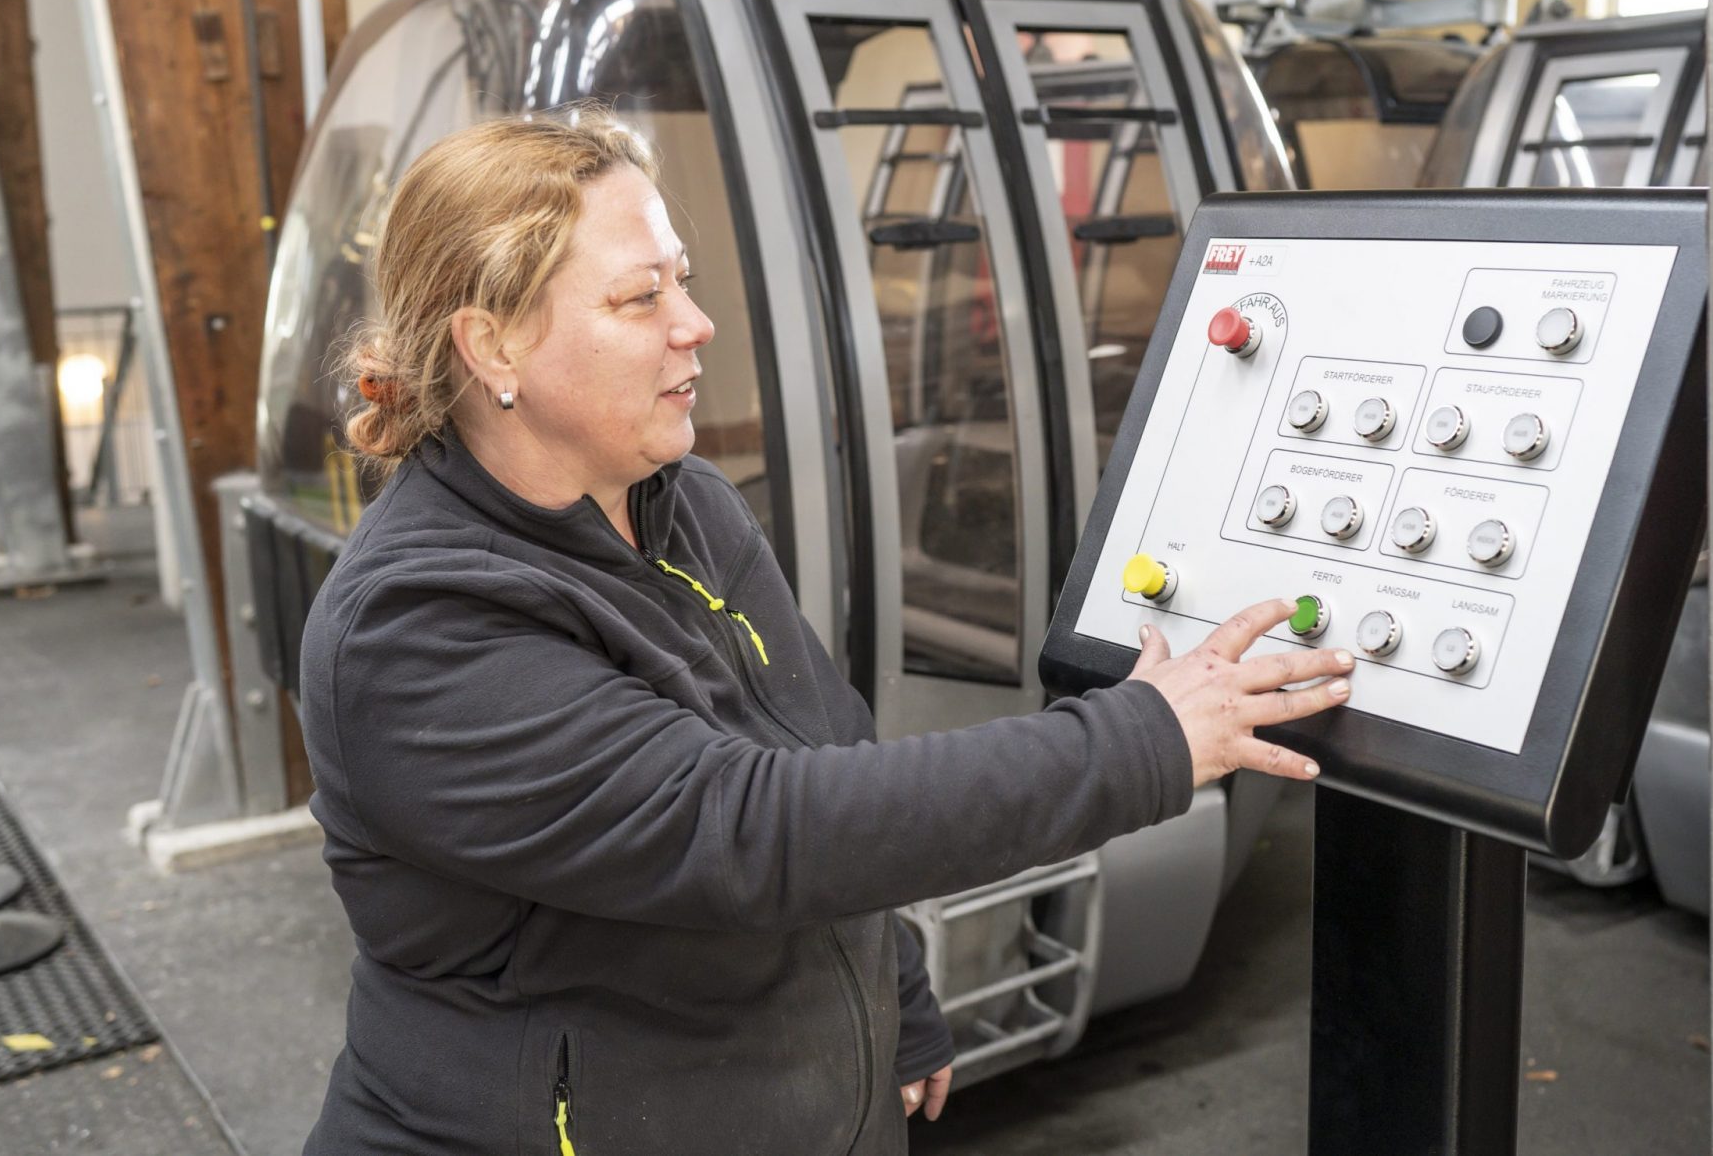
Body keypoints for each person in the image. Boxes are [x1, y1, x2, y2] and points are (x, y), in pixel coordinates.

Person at [298, 108, 1351, 1155]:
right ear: (491, 345)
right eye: (639, 296)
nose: (693, 323)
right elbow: (747, 828)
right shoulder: (413, 626)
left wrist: (890, 994)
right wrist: (1140, 739)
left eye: (682, 280)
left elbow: (819, 744)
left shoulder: (681, 500)